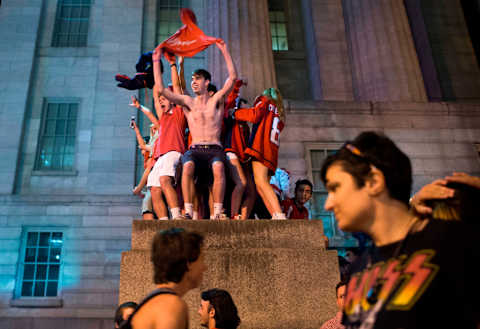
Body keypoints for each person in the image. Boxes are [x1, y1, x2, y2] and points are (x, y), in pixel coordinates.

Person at [320, 131, 477, 329]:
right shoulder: (358, 269)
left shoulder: (451, 242)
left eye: (335, 188)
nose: (328, 204)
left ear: (374, 182)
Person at [153, 39, 237, 219]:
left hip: (215, 149)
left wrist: (224, 49)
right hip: (195, 149)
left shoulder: (216, 100)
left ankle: (217, 212)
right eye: (192, 80)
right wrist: (155, 60)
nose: (193, 82)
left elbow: (232, 78)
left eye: (197, 79)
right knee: (188, 165)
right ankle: (188, 210)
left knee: (219, 169)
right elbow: (162, 89)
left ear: (207, 82)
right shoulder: (188, 102)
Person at [128, 228, 206, 329]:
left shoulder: (155, 303)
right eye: (202, 259)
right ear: (188, 263)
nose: (205, 267)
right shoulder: (171, 306)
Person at [233, 88, 286, 219]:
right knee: (261, 186)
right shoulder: (278, 113)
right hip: (272, 152)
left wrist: (235, 113)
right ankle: (275, 214)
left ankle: (279, 214)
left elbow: (254, 115)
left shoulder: (264, 101)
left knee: (261, 183)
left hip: (261, 148)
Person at [147, 54, 187, 220]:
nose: (161, 101)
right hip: (160, 156)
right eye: (161, 99)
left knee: (164, 180)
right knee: (154, 189)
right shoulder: (162, 116)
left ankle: (176, 215)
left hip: (174, 152)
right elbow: (157, 90)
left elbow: (177, 89)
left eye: (165, 99)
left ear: (172, 100)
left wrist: (172, 65)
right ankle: (163, 221)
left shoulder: (179, 113)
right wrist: (156, 62)